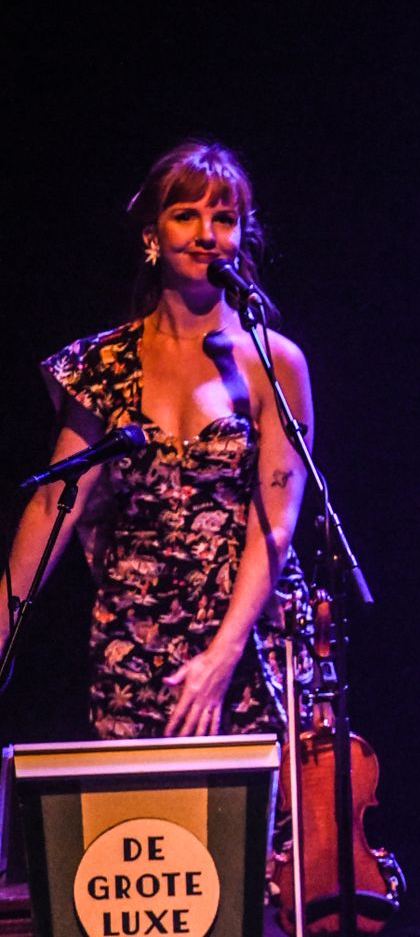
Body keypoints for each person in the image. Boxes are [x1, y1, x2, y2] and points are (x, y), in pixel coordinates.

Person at [1, 140, 310, 740]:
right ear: (152, 233)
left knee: (252, 829)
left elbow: (275, 524)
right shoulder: (104, 363)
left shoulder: (274, 363)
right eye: (186, 214)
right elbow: (51, 507)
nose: (206, 233)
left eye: (224, 219)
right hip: (133, 646)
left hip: (246, 649)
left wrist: (222, 656)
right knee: (145, 826)